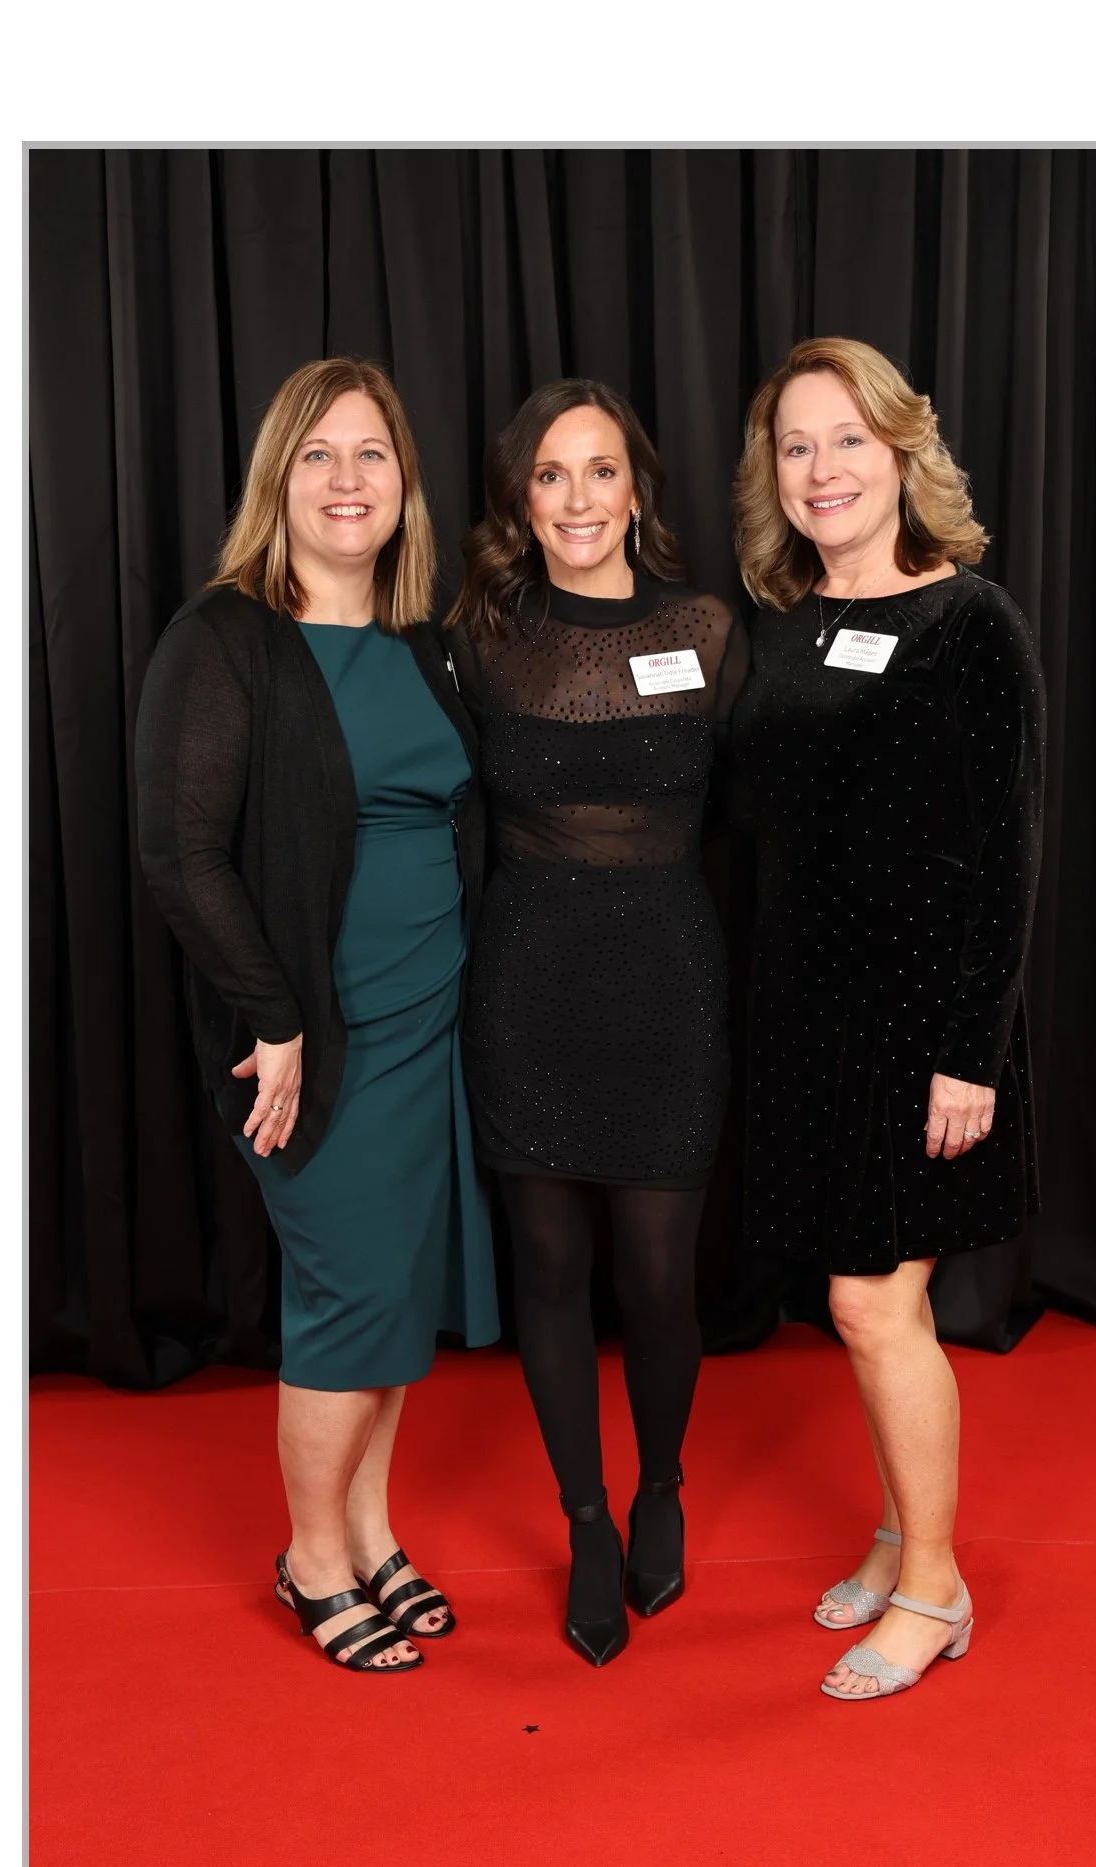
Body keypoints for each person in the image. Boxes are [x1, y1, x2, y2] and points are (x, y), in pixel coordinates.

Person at [135, 358, 498, 1676]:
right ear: (277, 482)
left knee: (398, 1291)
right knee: (348, 1298)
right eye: (319, 457)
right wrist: (274, 1017)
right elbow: (181, 854)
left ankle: (370, 1527)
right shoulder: (225, 637)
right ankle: (309, 1556)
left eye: (373, 456)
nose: (349, 482)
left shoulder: (422, 642)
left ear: (405, 483)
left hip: (429, 1024)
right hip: (316, 1044)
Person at [730, 336, 1045, 1702]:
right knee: (854, 1303)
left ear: (900, 451)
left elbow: (1016, 846)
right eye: (796, 446)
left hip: (929, 1029)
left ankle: (933, 1587)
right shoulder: (787, 619)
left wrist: (970, 1053)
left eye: (846, 439)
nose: (821, 469)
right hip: (815, 1019)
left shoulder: (969, 618)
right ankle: (896, 1531)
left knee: (874, 1303)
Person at [446, 380, 747, 1665]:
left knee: (657, 1274)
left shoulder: (711, 629)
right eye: (551, 476)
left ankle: (660, 1483)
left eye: (601, 471)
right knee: (551, 1272)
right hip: (527, 987)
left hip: (670, 985)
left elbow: (761, 811)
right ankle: (582, 1518)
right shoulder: (479, 635)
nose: (578, 499)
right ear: (524, 499)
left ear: (638, 486)